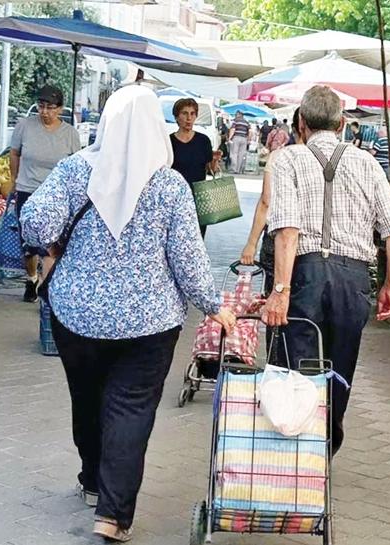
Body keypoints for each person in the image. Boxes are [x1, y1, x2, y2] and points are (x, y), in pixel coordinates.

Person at [20, 85, 235, 542]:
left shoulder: (75, 171)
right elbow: (188, 259)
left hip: (78, 318)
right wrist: (215, 308)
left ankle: (93, 480)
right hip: (150, 325)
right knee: (131, 410)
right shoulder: (169, 184)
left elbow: (35, 224)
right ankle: (113, 517)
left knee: (87, 397)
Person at [262, 86, 390, 455]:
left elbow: (287, 230)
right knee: (341, 367)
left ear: (303, 123)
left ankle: (299, 447)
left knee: (300, 367)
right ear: (342, 124)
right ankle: (329, 436)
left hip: (305, 274)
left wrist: (280, 290)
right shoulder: (368, 163)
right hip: (353, 277)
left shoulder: (287, 159)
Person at [9, 85, 81, 302]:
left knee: (51, 245)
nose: (45, 112)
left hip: (57, 196)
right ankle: (31, 278)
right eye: (41, 106)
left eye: (50, 107)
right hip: (27, 191)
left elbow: (76, 165)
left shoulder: (70, 134)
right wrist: (14, 179)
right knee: (29, 245)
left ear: (60, 109)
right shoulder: (24, 126)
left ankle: (45, 286)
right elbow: (14, 153)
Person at [241, 107, 302, 294]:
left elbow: (266, 201)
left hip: (277, 237)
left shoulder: (279, 157)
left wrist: (251, 244)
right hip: (311, 244)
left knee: (273, 297)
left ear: (295, 128)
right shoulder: (329, 161)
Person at [169, 98, 216, 239]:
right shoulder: (169, 142)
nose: (189, 118)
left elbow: (210, 169)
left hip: (198, 198)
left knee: (197, 239)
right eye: (184, 113)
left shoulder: (203, 141)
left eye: (193, 114)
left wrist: (215, 161)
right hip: (175, 198)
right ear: (177, 117)